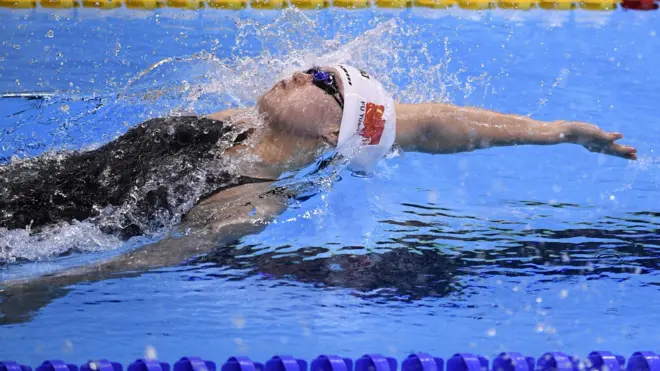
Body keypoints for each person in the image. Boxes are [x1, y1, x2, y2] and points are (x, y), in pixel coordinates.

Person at [0, 64, 636, 292]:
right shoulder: (239, 124)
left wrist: (49, 286)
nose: (302, 73)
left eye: (324, 83)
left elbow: (150, 259)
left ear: (334, 133)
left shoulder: (250, 201)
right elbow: (430, 124)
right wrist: (557, 129)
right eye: (313, 67)